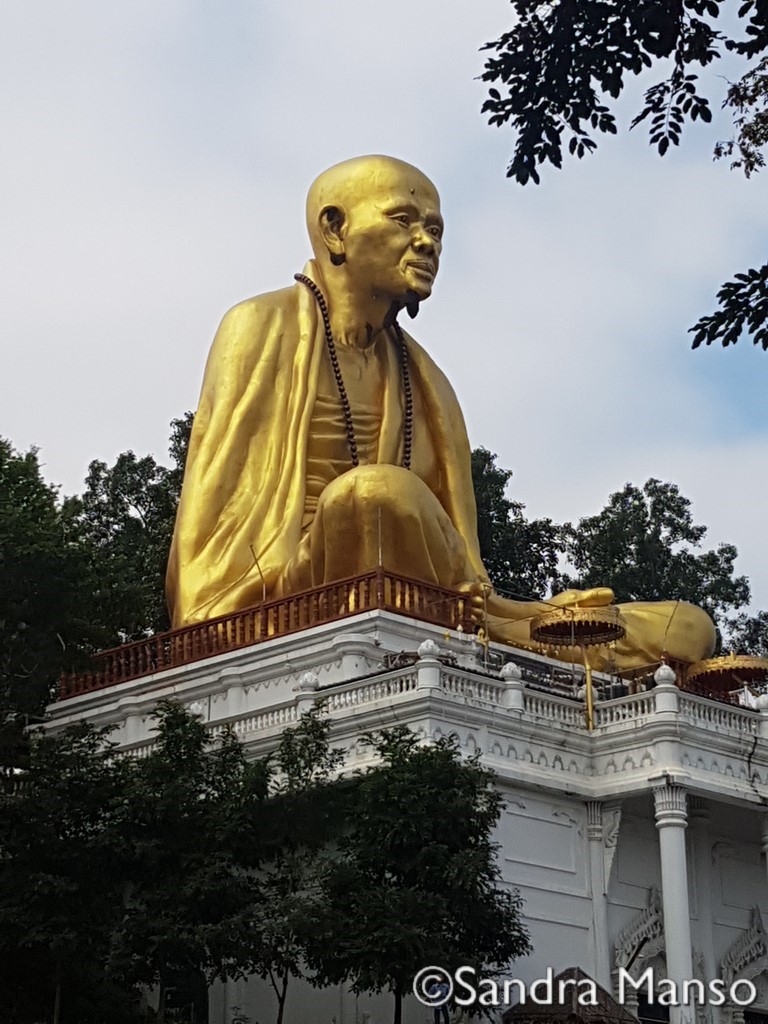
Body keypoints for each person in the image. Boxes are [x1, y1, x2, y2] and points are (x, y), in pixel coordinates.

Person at [166, 154, 716, 673]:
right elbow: (211, 528)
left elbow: (457, 559)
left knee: (686, 628)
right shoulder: (259, 327)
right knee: (373, 492)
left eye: (436, 229)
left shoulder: (425, 379)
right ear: (335, 230)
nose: (426, 242)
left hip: (431, 596)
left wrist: (517, 609)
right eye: (404, 220)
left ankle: (514, 631)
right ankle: (515, 634)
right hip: (286, 594)